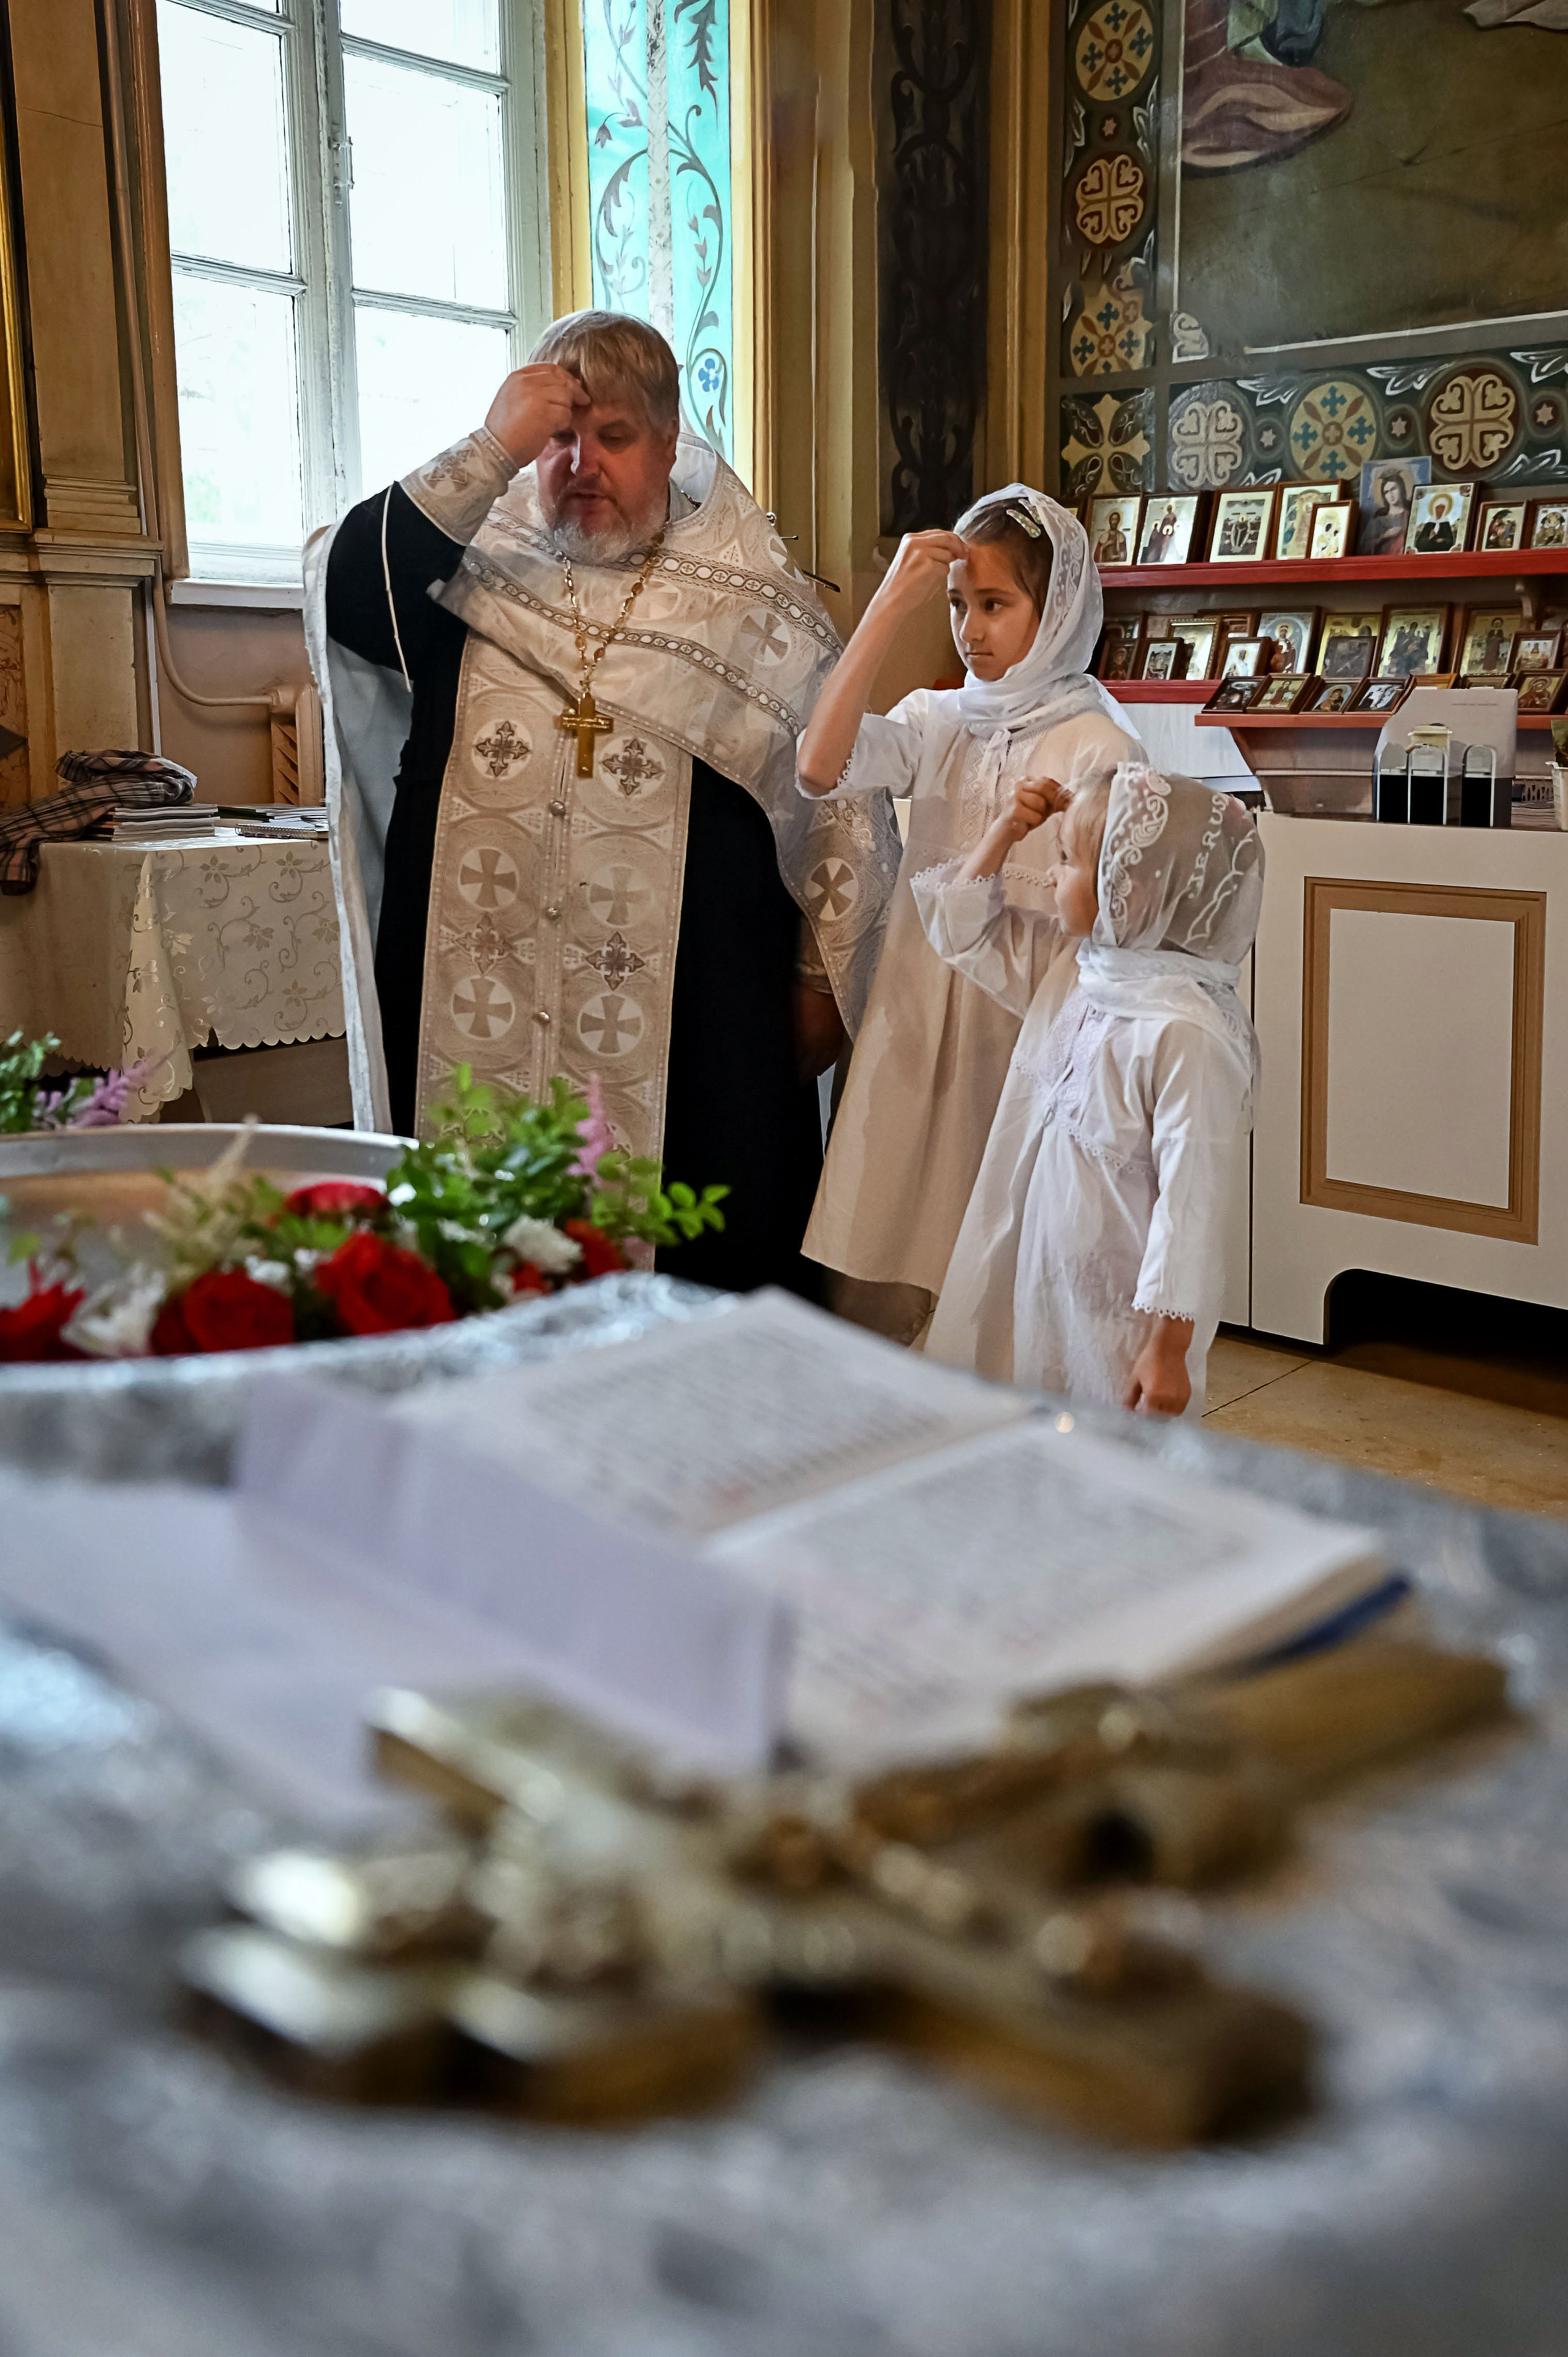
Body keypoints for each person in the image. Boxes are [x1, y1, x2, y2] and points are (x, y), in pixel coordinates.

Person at [304, 311, 898, 1297]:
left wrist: (819, 983)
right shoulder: (467, 570)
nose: (582, 463)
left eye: (613, 437)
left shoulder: (755, 604)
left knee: (700, 1280)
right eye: (557, 440)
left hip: (698, 1036)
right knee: (476, 1276)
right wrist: (489, 448)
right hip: (478, 1001)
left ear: (669, 445)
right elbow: (344, 603)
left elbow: (840, 811)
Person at [793, 486, 1139, 1340]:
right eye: (958, 606)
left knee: (1009, 1273)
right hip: (918, 1013)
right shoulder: (939, 720)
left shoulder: (1099, 745)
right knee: (888, 1247)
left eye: (995, 605)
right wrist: (888, 607)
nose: (972, 630)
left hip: (1022, 1027)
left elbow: (1115, 921)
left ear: (1053, 610)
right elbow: (816, 763)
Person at [911, 762, 1262, 1416]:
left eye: (1069, 860)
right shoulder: (1078, 971)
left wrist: (1167, 1347)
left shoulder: (1184, 1033)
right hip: (1039, 1273)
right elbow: (961, 928)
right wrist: (1009, 828)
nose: (1050, 876)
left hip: (1124, 1314)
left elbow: (1192, 1205)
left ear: (1131, 886)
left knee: (1120, 1453)